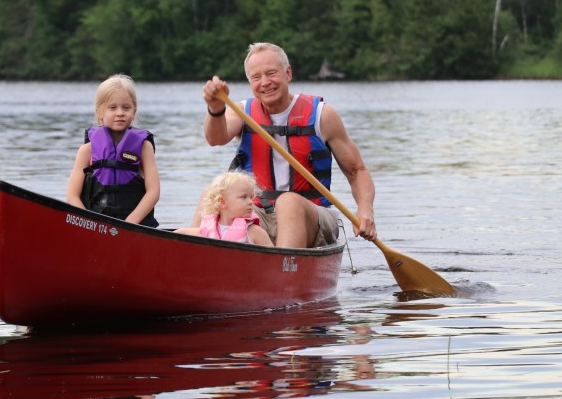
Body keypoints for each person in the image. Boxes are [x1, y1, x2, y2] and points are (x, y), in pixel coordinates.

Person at [201, 42, 376, 248]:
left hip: (313, 216)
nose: (265, 82)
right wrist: (215, 108)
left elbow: (357, 170)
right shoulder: (241, 112)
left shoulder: (322, 115)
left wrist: (365, 210)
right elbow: (216, 138)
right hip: (257, 214)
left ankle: (284, 271)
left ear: (288, 73)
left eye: (271, 73)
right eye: (256, 77)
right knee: (212, 196)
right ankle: (197, 258)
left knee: (289, 202)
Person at [67, 74, 160, 226]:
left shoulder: (144, 147)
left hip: (135, 226)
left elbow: (153, 192)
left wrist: (130, 223)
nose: (120, 113)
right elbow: (72, 196)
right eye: (112, 107)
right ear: (99, 112)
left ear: (134, 111)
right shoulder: (86, 151)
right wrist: (89, 224)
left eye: (126, 107)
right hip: (94, 226)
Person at [175, 172, 273, 246]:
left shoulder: (255, 232)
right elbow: (181, 232)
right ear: (222, 202)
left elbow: (274, 258)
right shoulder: (207, 229)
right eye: (244, 197)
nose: (251, 201)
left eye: (251, 197)